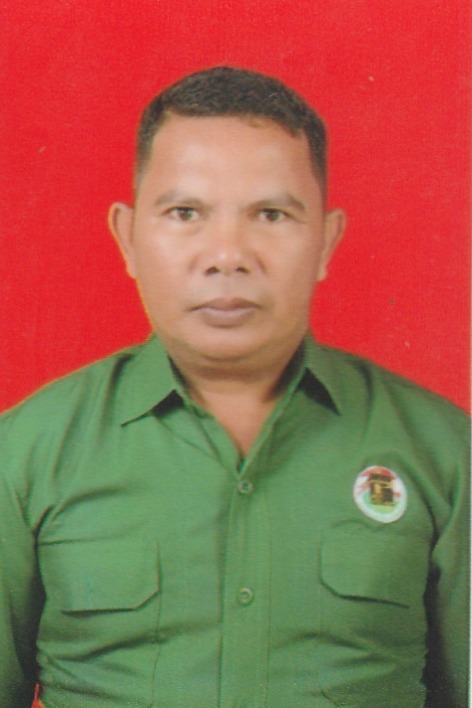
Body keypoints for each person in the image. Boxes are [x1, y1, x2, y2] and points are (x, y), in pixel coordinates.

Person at [0, 66, 468, 708]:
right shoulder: (25, 454)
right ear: (127, 237)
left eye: (271, 214)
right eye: (185, 212)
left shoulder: (444, 452)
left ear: (326, 240)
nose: (227, 255)